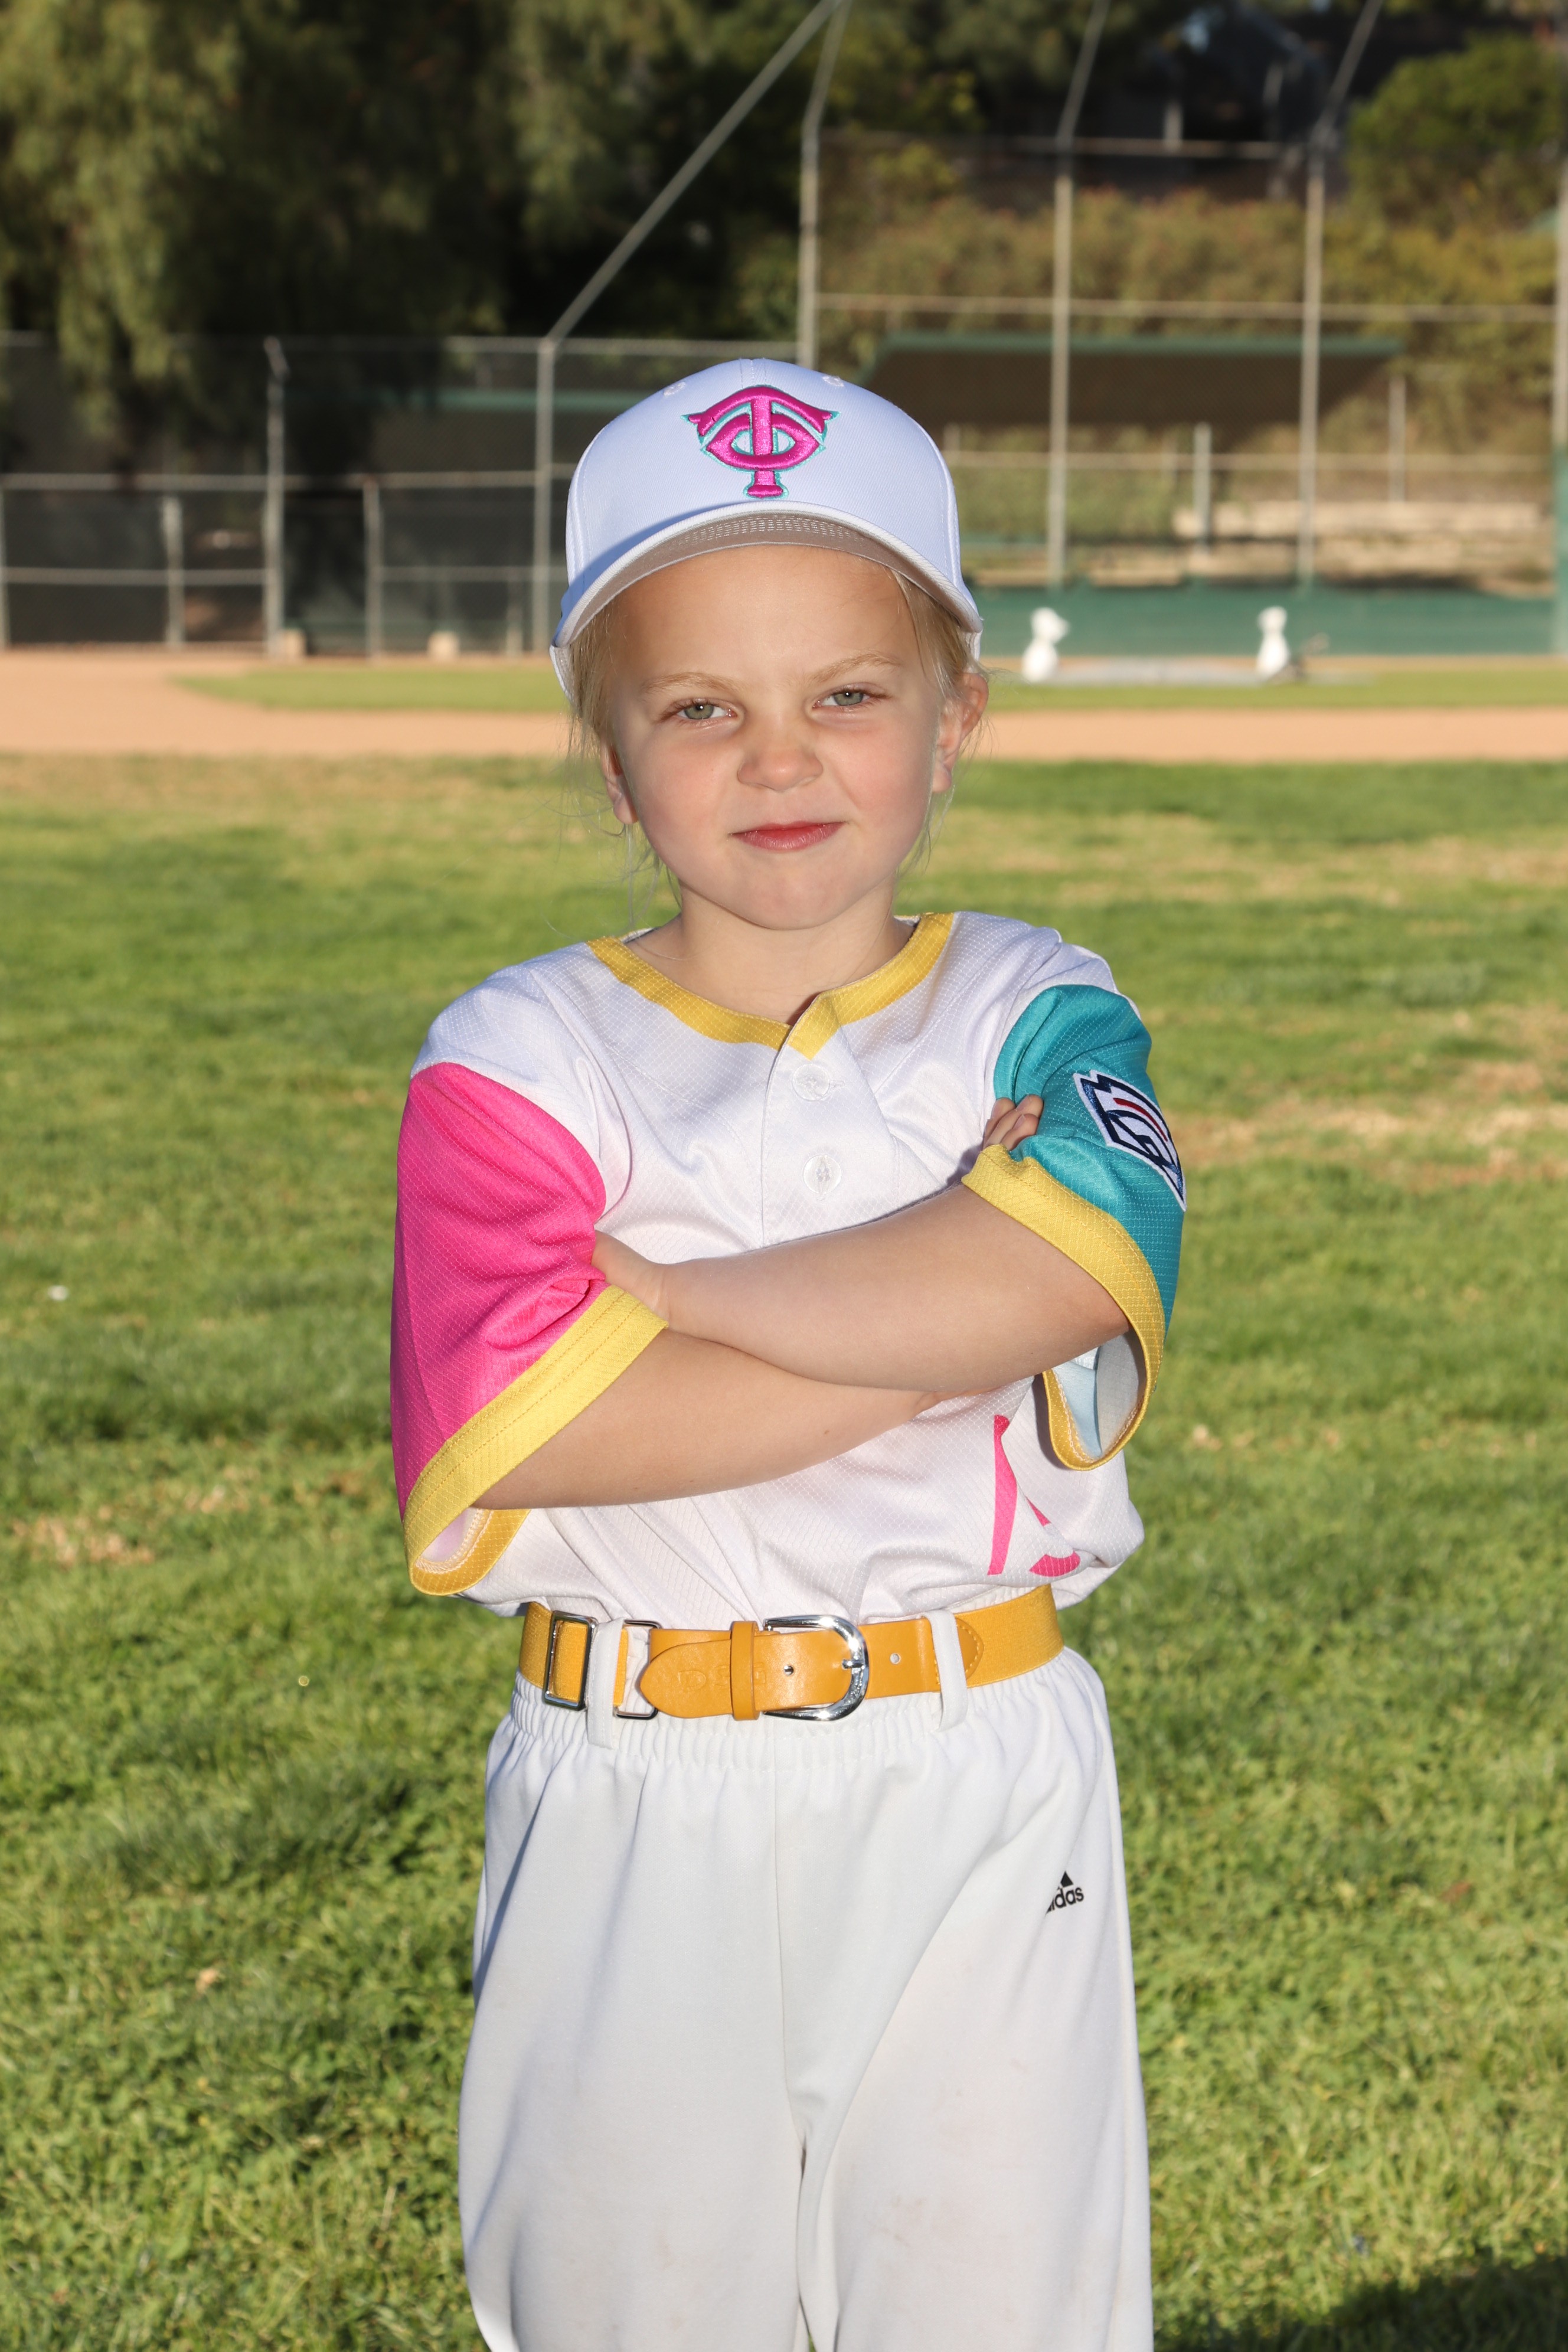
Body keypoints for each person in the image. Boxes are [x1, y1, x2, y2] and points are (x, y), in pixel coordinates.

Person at [390, 359, 1184, 2352]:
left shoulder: (1039, 1002)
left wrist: (677, 1295)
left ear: (957, 715)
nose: (778, 761)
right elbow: (536, 1425)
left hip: (975, 1758)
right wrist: (948, 1287)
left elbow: (1066, 1278)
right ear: (611, 758)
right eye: (698, 709)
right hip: (631, 1776)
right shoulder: (514, 1052)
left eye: (847, 694)